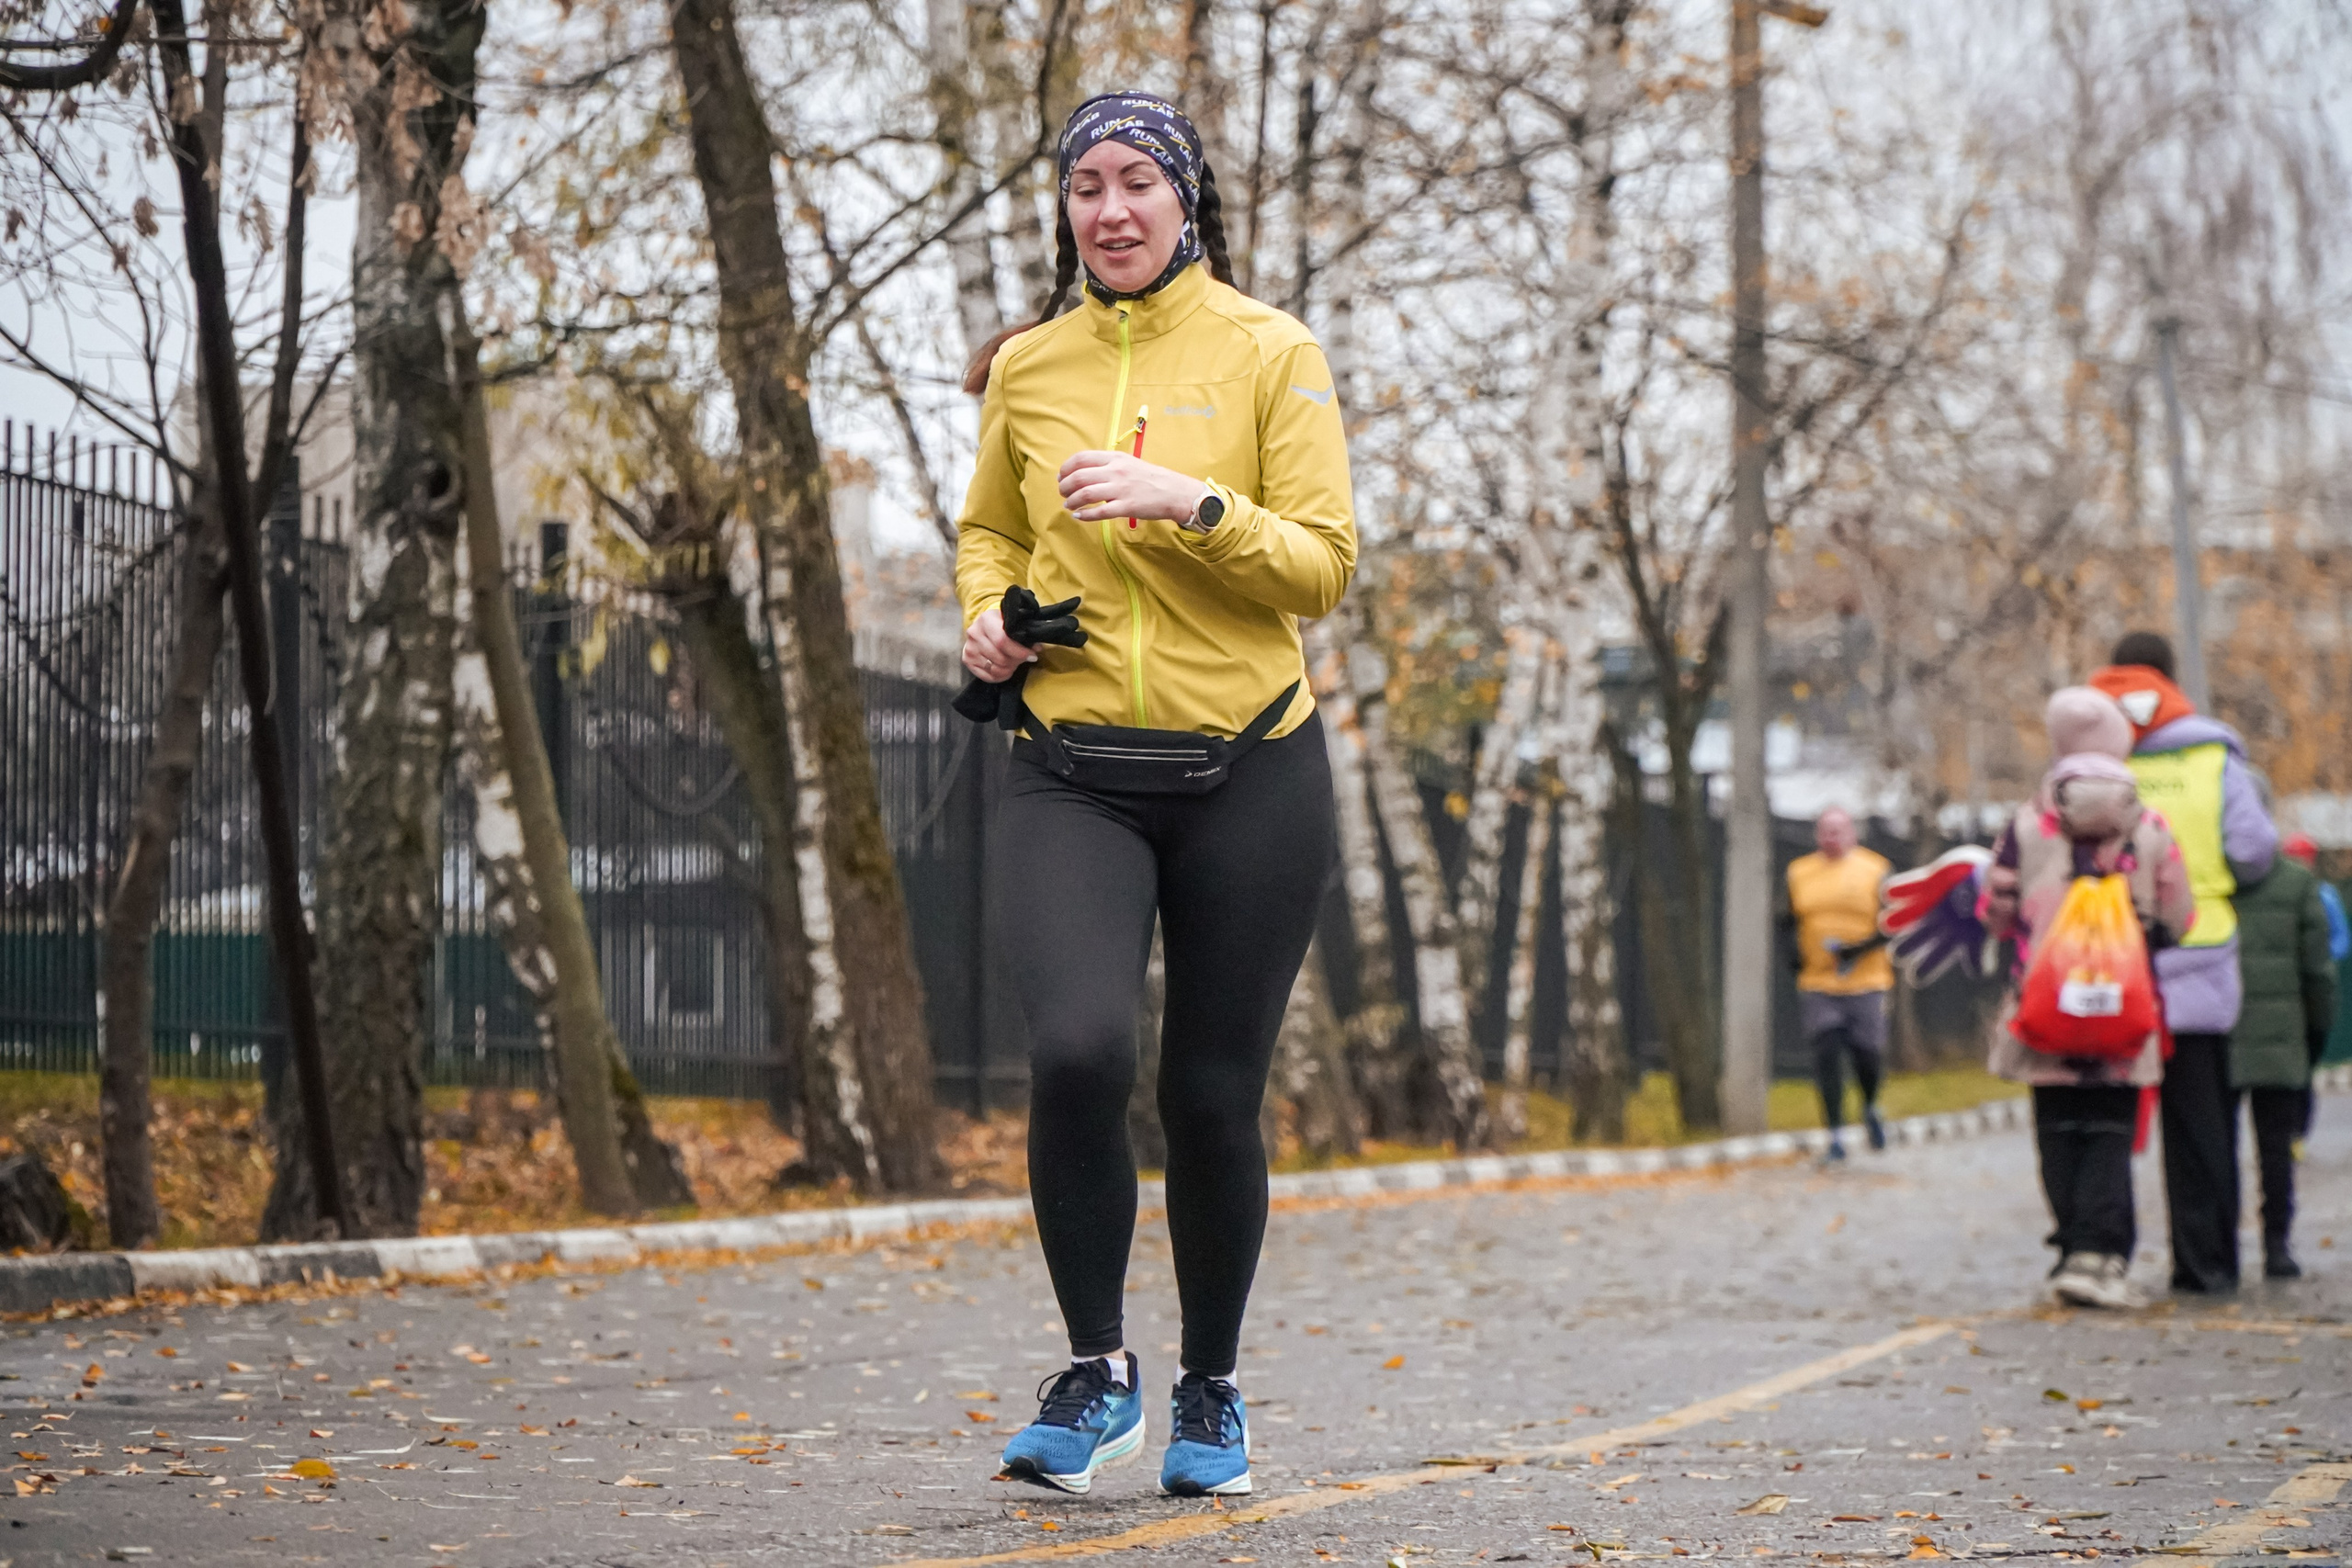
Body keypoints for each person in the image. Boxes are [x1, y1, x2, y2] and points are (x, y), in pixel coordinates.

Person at [954, 91, 1354, 1498]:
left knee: (1209, 1092)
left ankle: (1211, 1388)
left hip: (1251, 765)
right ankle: (1094, 1370)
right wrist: (987, 617)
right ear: (1064, 210)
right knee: (1074, 1049)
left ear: (1186, 201)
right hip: (1072, 772)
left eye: (1137, 182)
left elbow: (1321, 563)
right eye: (1085, 187)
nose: (1109, 209)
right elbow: (990, 530)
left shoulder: (1270, 350)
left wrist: (1189, 502)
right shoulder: (1030, 366)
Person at [1983, 688, 2195, 1310]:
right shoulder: (2149, 824)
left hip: (2045, 1003)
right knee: (2109, 1126)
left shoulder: (2027, 823)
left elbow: (1996, 914)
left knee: (2056, 1124)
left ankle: (2070, 1245)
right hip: (2125, 1007)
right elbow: (2179, 914)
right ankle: (2100, 1256)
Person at [2090, 632, 2278, 1292]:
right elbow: (2254, 850)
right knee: (2203, 1122)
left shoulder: (2092, 756)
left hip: (2108, 963)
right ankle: (2206, 1263)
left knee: (2104, 1120)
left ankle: (2097, 1257)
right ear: (2171, 678)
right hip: (2199, 959)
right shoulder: (2211, 754)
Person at [2230, 832, 2337, 1279]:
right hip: (2283, 1034)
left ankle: (2217, 1249)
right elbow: (2319, 971)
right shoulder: (2296, 883)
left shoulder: (2211, 880)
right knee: (2276, 1149)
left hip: (2220, 1035)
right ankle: (2277, 1244)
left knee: (2216, 1146)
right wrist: (2315, 1033)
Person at [1782, 807, 1894, 1160]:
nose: (1831, 838)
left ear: (1852, 834)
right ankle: (1834, 1134)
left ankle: (1870, 1105)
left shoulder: (1876, 869)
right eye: (1825, 831)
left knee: (1867, 1054)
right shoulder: (1799, 872)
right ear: (1817, 835)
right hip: (1818, 982)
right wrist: (1793, 957)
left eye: (1838, 831)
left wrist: (1856, 950)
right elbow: (1784, 919)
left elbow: (1894, 922)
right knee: (1826, 1051)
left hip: (1867, 981)